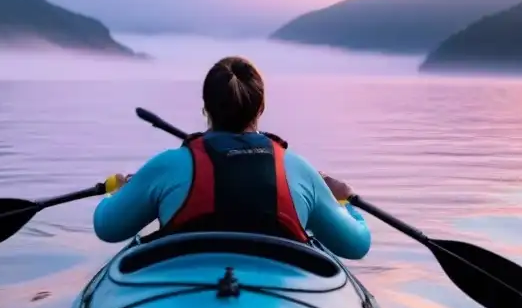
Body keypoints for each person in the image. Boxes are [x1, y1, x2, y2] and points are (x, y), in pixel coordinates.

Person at [92, 56, 371, 259]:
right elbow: (356, 245)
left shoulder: (167, 166)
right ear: (261, 107)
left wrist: (119, 192)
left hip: (182, 290)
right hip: (277, 294)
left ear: (205, 108)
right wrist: (344, 200)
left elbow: (108, 227)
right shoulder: (298, 170)